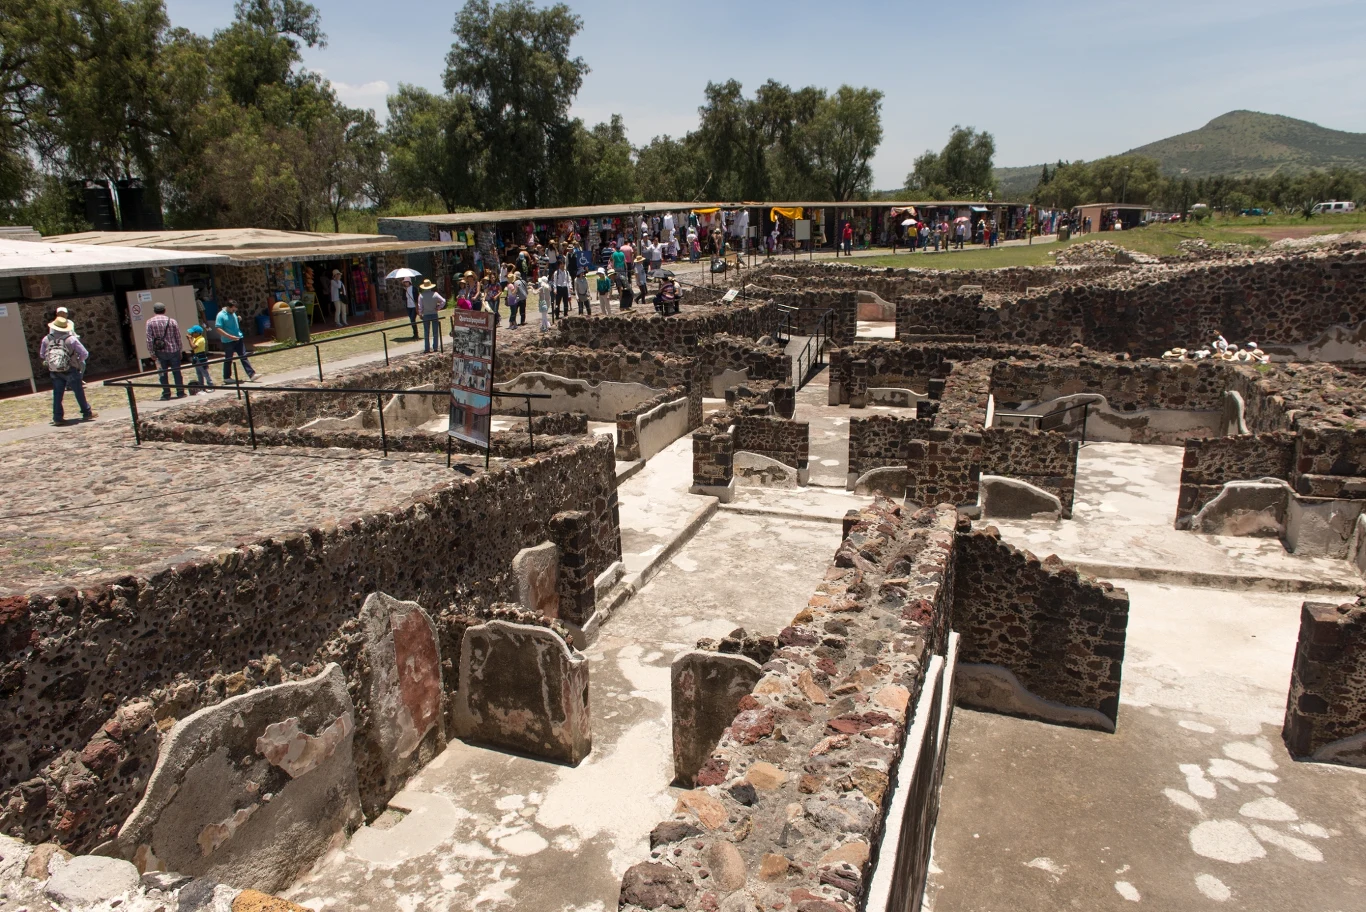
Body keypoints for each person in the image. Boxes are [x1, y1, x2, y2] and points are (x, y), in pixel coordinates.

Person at [39, 313, 96, 425]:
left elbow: (42, 355)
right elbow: (84, 353)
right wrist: (78, 360)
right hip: (71, 369)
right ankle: (86, 412)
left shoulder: (46, 339)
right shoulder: (71, 339)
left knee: (58, 394)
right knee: (78, 391)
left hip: (55, 370)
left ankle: (57, 417)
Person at [144, 301, 186, 400]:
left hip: (160, 352)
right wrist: (180, 350)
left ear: (154, 311)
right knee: (176, 372)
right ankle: (180, 392)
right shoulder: (172, 321)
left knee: (162, 373)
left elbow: (149, 339)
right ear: (165, 310)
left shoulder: (150, 322)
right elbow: (178, 337)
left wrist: (151, 352)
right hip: (173, 350)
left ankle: (166, 393)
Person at [215, 299, 257, 383]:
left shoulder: (233, 313)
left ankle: (251, 374)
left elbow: (232, 323)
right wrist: (229, 336)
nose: (234, 311)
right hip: (228, 341)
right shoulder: (220, 315)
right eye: (233, 309)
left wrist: (238, 319)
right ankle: (227, 377)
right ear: (228, 307)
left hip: (238, 338)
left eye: (235, 309)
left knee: (243, 356)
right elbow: (218, 328)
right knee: (229, 358)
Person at [418, 279, 446, 353]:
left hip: (426, 315)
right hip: (434, 313)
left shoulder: (421, 295)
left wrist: (420, 314)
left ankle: (427, 348)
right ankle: (435, 347)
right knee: (435, 332)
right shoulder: (435, 294)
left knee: (426, 332)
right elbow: (443, 301)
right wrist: (438, 308)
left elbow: (420, 306)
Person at [186, 324, 214, 392]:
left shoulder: (201, 339)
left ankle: (211, 386)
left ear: (197, 333)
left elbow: (193, 347)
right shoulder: (195, 338)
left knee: (204, 372)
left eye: (193, 332)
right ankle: (201, 386)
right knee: (199, 373)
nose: (191, 333)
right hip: (196, 357)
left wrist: (189, 339)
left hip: (201, 357)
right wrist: (190, 339)